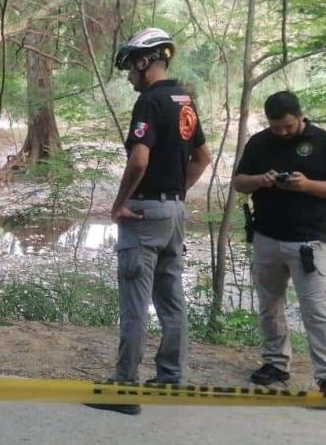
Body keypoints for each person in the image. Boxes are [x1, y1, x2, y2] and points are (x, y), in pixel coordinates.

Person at [87, 28, 211, 415]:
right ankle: (171, 376)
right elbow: (202, 158)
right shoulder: (184, 100)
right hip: (173, 213)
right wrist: (174, 196)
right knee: (171, 300)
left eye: (129, 67)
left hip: (143, 215)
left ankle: (125, 387)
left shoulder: (150, 103)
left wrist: (119, 203)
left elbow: (138, 160)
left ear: (145, 61)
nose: (128, 76)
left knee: (135, 304)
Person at [232, 91, 326, 392]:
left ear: (300, 116)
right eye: (276, 127)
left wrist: (307, 185)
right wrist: (261, 180)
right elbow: (238, 182)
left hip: (309, 241)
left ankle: (324, 375)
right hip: (266, 237)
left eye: (288, 126)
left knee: (316, 310)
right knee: (269, 304)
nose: (282, 132)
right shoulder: (260, 142)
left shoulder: (321, 141)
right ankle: (275, 363)